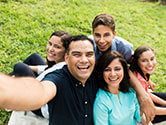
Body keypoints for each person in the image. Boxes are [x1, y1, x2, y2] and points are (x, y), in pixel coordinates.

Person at [0, 35, 155, 125]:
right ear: (66, 58)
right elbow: (40, 92)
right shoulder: (58, 78)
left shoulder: (97, 74)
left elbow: (120, 67)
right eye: (76, 54)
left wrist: (143, 94)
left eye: (88, 54)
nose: (83, 60)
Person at [89, 13, 155, 123]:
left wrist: (145, 85)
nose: (101, 40)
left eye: (106, 35)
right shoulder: (88, 45)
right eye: (97, 35)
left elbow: (136, 66)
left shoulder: (124, 48)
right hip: (99, 85)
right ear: (92, 34)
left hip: (119, 88)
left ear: (114, 34)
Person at [8, 30, 72, 125]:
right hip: (43, 91)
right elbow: (47, 69)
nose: (50, 49)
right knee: (34, 57)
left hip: (42, 107)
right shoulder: (60, 63)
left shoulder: (61, 71)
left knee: (20, 67)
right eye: (50, 44)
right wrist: (30, 68)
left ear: (66, 52)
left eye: (57, 47)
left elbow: (44, 81)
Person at [93, 51, 146, 125]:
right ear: (101, 73)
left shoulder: (130, 91)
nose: (113, 74)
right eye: (107, 70)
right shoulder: (101, 100)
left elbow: (141, 118)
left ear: (124, 70)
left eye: (117, 69)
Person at [130, 45, 166, 124]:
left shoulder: (141, 73)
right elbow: (148, 109)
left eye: (152, 59)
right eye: (144, 60)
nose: (150, 64)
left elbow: (147, 94)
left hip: (146, 101)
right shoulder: (137, 79)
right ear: (136, 62)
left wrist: (164, 102)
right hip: (142, 114)